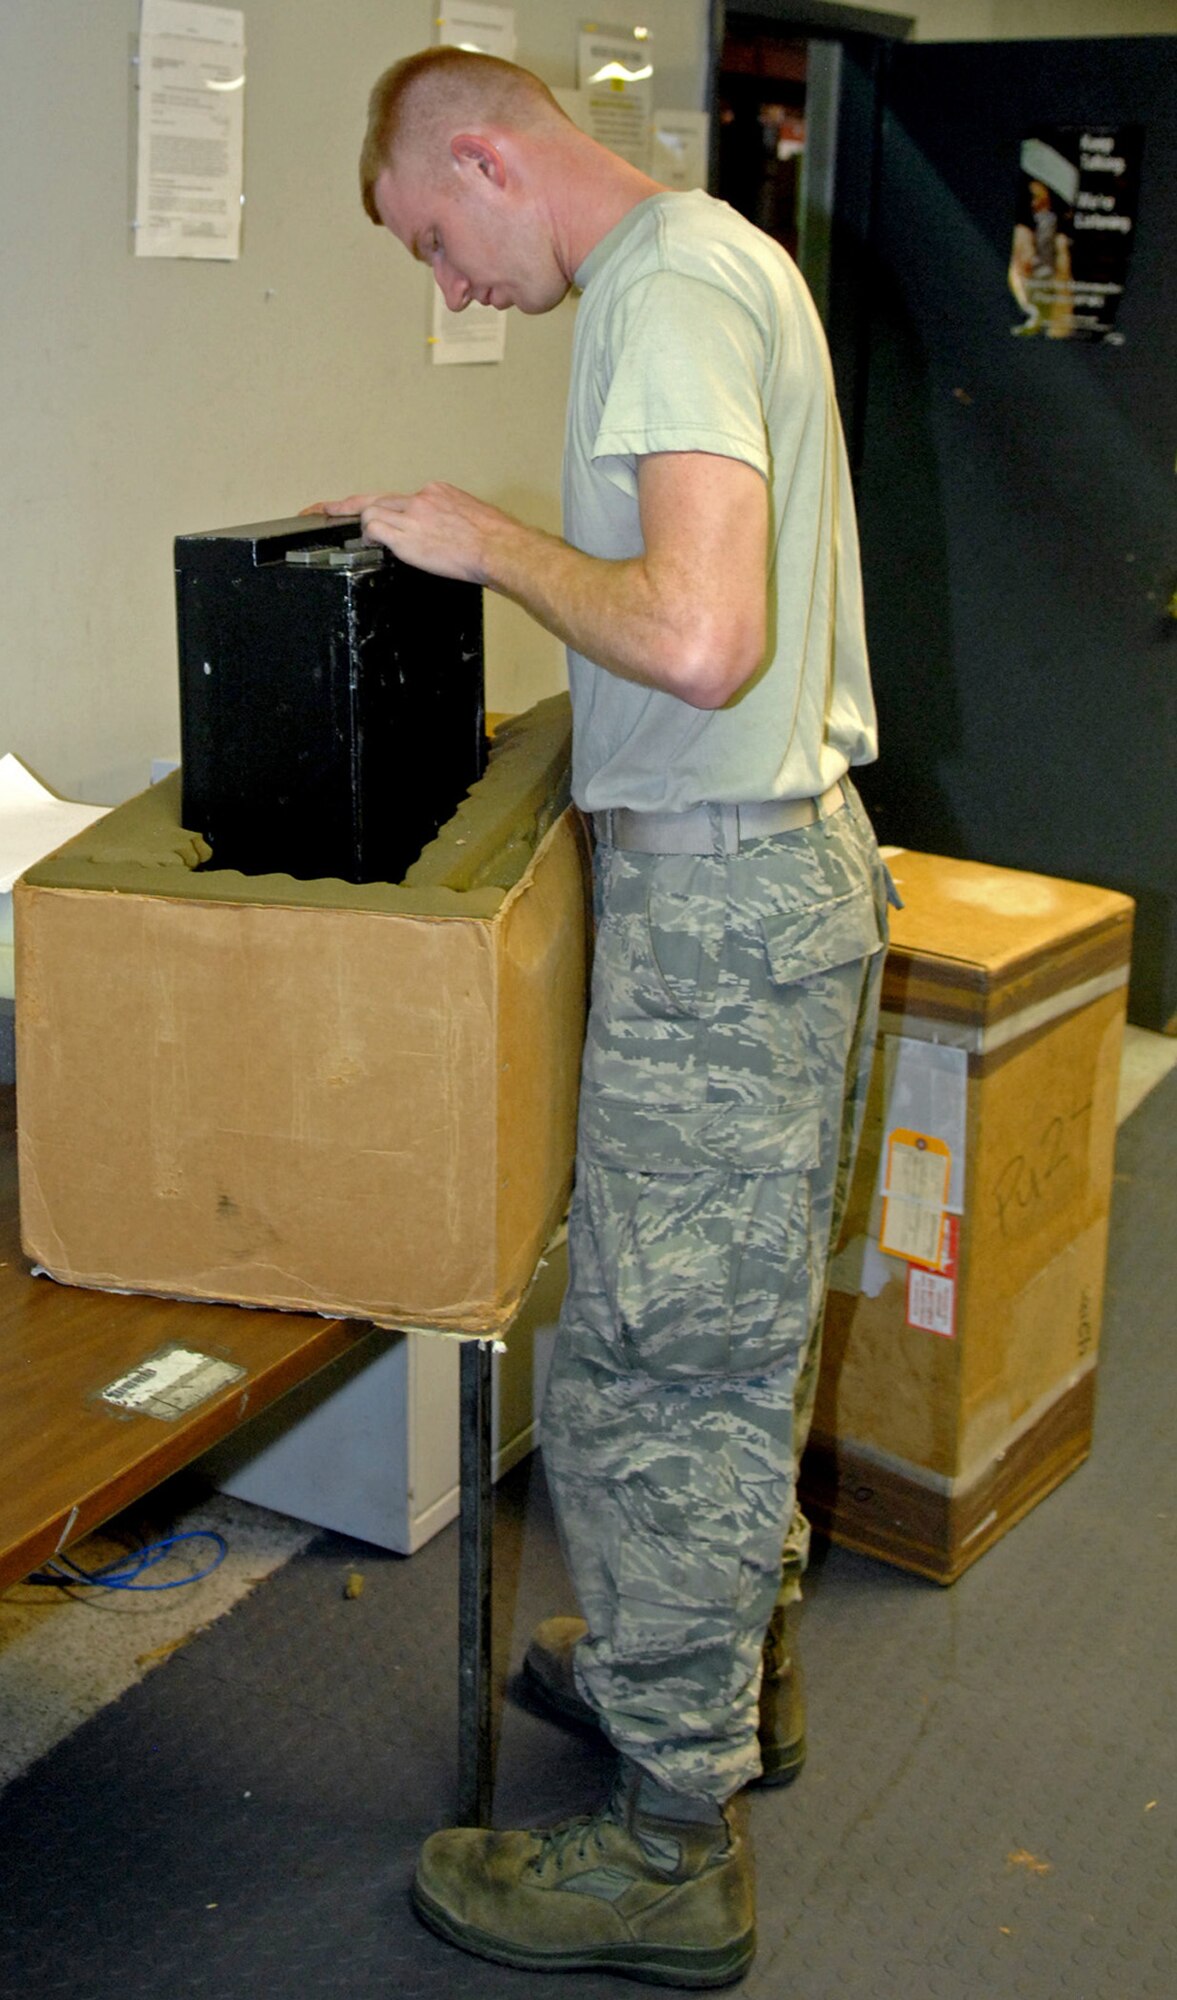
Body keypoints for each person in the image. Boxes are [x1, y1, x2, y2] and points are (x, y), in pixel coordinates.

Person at [312, 46, 890, 1989]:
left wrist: (492, 549)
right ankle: (729, 1679)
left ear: (484, 151)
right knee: (732, 1331)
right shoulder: (713, 261)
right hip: (767, 870)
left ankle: (667, 1845)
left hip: (729, 907)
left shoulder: (657, 290)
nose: (450, 287)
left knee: (656, 1361)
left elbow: (702, 631)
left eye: (434, 239)